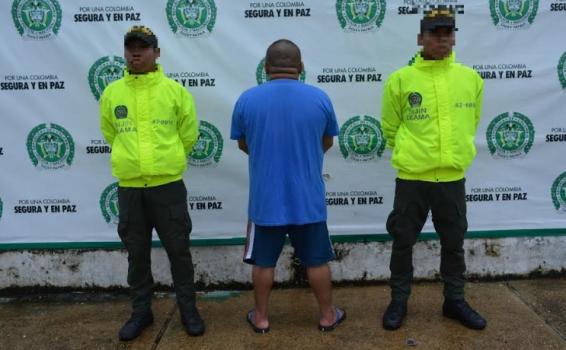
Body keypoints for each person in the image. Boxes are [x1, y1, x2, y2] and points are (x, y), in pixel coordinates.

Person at [380, 7, 487, 331]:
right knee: (402, 242)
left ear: (453, 37)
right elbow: (389, 128)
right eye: (434, 34)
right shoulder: (401, 80)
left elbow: (473, 122)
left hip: (452, 179)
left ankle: (454, 300)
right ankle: (398, 301)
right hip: (412, 179)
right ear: (420, 38)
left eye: (447, 34)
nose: (442, 40)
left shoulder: (470, 79)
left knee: (453, 244)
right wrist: (414, 154)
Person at [230, 39, 345, 333]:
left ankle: (262, 318)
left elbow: (246, 144)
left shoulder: (247, 99)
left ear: (266, 68)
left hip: (266, 200)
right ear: (301, 67)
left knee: (263, 263)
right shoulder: (320, 98)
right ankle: (327, 316)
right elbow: (327, 142)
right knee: (317, 261)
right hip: (308, 198)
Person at [99, 25, 205, 341]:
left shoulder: (175, 92)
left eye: (143, 47)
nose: (136, 52)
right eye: (131, 47)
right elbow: (110, 133)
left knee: (179, 253)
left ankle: (189, 310)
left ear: (156, 53)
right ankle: (141, 312)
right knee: (137, 255)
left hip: (167, 187)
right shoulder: (112, 93)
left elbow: (188, 135)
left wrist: (167, 161)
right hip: (131, 188)